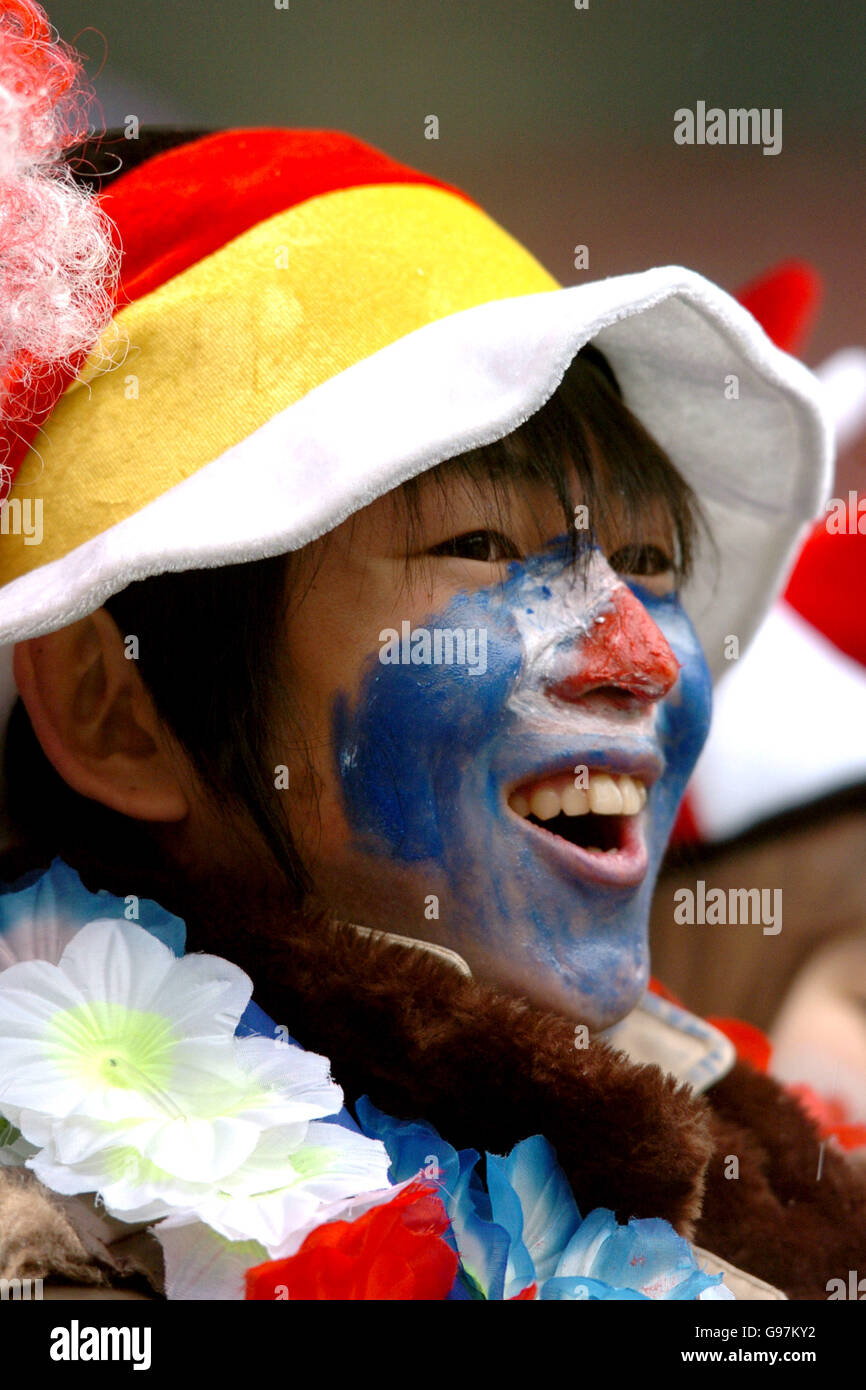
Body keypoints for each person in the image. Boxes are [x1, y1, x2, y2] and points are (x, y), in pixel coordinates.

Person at [1, 5, 864, 1302]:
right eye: (477, 545)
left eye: (647, 564)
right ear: (115, 711)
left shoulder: (751, 1165)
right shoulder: (55, 1250)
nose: (638, 655)